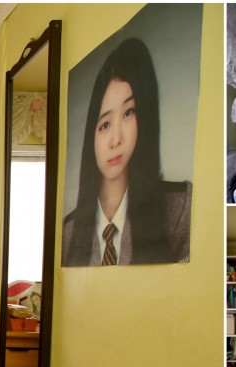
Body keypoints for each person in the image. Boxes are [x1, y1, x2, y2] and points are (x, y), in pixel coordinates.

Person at [61, 37, 191, 267]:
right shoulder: (69, 232)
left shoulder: (179, 208)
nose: (116, 139)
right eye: (105, 124)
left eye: (128, 113)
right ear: (92, 135)